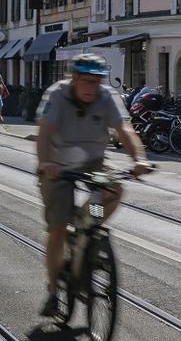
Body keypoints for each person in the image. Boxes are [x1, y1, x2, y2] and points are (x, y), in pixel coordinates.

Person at [35, 53, 149, 317]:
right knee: (57, 229)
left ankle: (87, 225)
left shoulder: (106, 97)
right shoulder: (57, 95)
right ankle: (53, 291)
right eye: (86, 81)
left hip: (93, 164)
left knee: (114, 189)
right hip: (57, 166)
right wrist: (45, 163)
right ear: (74, 79)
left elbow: (125, 131)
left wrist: (139, 159)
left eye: (96, 82)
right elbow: (45, 134)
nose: (92, 88)